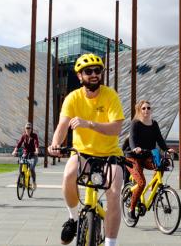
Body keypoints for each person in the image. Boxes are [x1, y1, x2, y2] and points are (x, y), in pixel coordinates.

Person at [48, 53, 125, 246]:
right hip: (82, 153)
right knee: (68, 176)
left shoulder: (110, 95)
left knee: (114, 193)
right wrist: (55, 144)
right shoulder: (73, 98)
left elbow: (116, 128)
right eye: (88, 71)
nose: (94, 74)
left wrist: (89, 124)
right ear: (80, 76)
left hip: (110, 154)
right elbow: (62, 125)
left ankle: (110, 243)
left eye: (97, 70)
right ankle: (73, 219)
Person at [124, 100, 175, 217]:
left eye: (148, 108)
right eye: (143, 108)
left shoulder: (154, 124)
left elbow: (160, 139)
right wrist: (135, 148)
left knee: (163, 163)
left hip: (147, 156)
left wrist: (167, 149)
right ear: (139, 110)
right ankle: (131, 209)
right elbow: (132, 139)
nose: (146, 110)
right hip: (133, 157)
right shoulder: (135, 123)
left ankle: (154, 191)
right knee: (141, 183)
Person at [12, 122, 39, 189]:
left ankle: (34, 182)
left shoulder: (34, 136)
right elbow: (19, 144)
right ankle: (21, 179)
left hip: (33, 154)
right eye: (27, 128)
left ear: (31, 129)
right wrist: (15, 151)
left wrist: (37, 150)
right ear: (25, 129)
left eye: (29, 128)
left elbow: (36, 143)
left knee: (32, 168)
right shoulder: (23, 136)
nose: (28, 129)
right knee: (21, 164)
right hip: (26, 153)